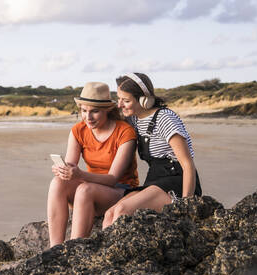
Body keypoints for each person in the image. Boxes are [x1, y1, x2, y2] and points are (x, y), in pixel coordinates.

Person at [102, 73, 202, 229]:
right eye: (119, 98)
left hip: (177, 180)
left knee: (122, 210)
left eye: (126, 100)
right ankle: (106, 252)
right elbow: (106, 119)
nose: (120, 105)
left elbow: (187, 164)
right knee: (109, 214)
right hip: (154, 180)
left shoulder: (165, 119)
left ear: (144, 100)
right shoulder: (134, 118)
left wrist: (185, 205)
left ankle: (118, 253)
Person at [47, 82, 139, 247]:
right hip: (90, 191)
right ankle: (55, 248)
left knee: (85, 189)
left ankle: (75, 249)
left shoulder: (125, 132)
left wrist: (80, 174)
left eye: (95, 111)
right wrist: (63, 171)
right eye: (84, 111)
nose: (88, 117)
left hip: (121, 191)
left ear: (107, 110)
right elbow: (71, 166)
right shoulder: (78, 131)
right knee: (57, 182)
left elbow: (112, 178)